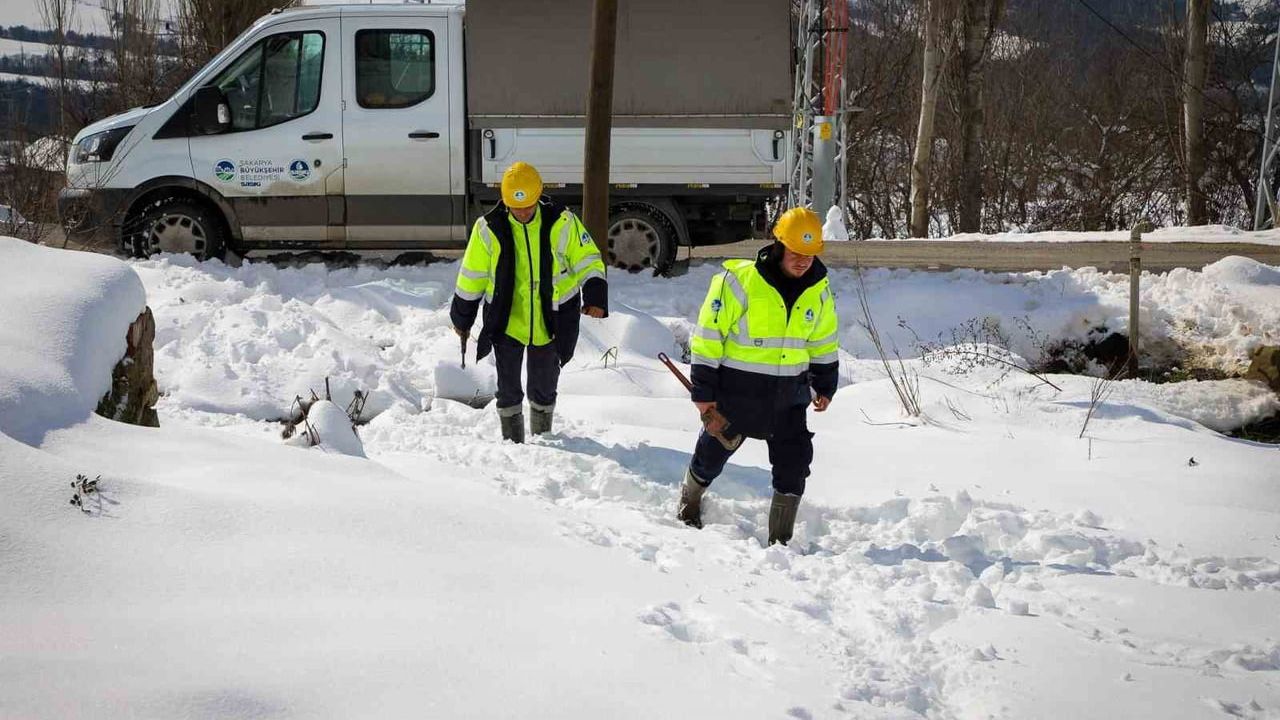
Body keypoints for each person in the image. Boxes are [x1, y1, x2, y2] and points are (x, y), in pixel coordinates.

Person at [677, 207, 839, 545]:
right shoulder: (737, 282)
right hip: (736, 395)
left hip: (790, 398)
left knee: (794, 467)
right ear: (779, 245)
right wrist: (704, 393)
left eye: (809, 255)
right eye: (796, 253)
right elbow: (708, 338)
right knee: (711, 454)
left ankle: (780, 540)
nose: (803, 261)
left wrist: (824, 383)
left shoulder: (819, 290)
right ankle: (689, 502)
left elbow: (823, 340)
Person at [451, 162, 608, 443]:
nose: (522, 212)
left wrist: (595, 292)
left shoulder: (562, 222)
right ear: (505, 202)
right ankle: (513, 444)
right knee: (508, 388)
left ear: (538, 197)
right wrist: (462, 318)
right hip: (508, 320)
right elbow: (471, 276)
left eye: (527, 206)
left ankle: (543, 439)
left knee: (544, 385)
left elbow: (588, 258)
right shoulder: (488, 228)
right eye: (515, 207)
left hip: (552, 320)